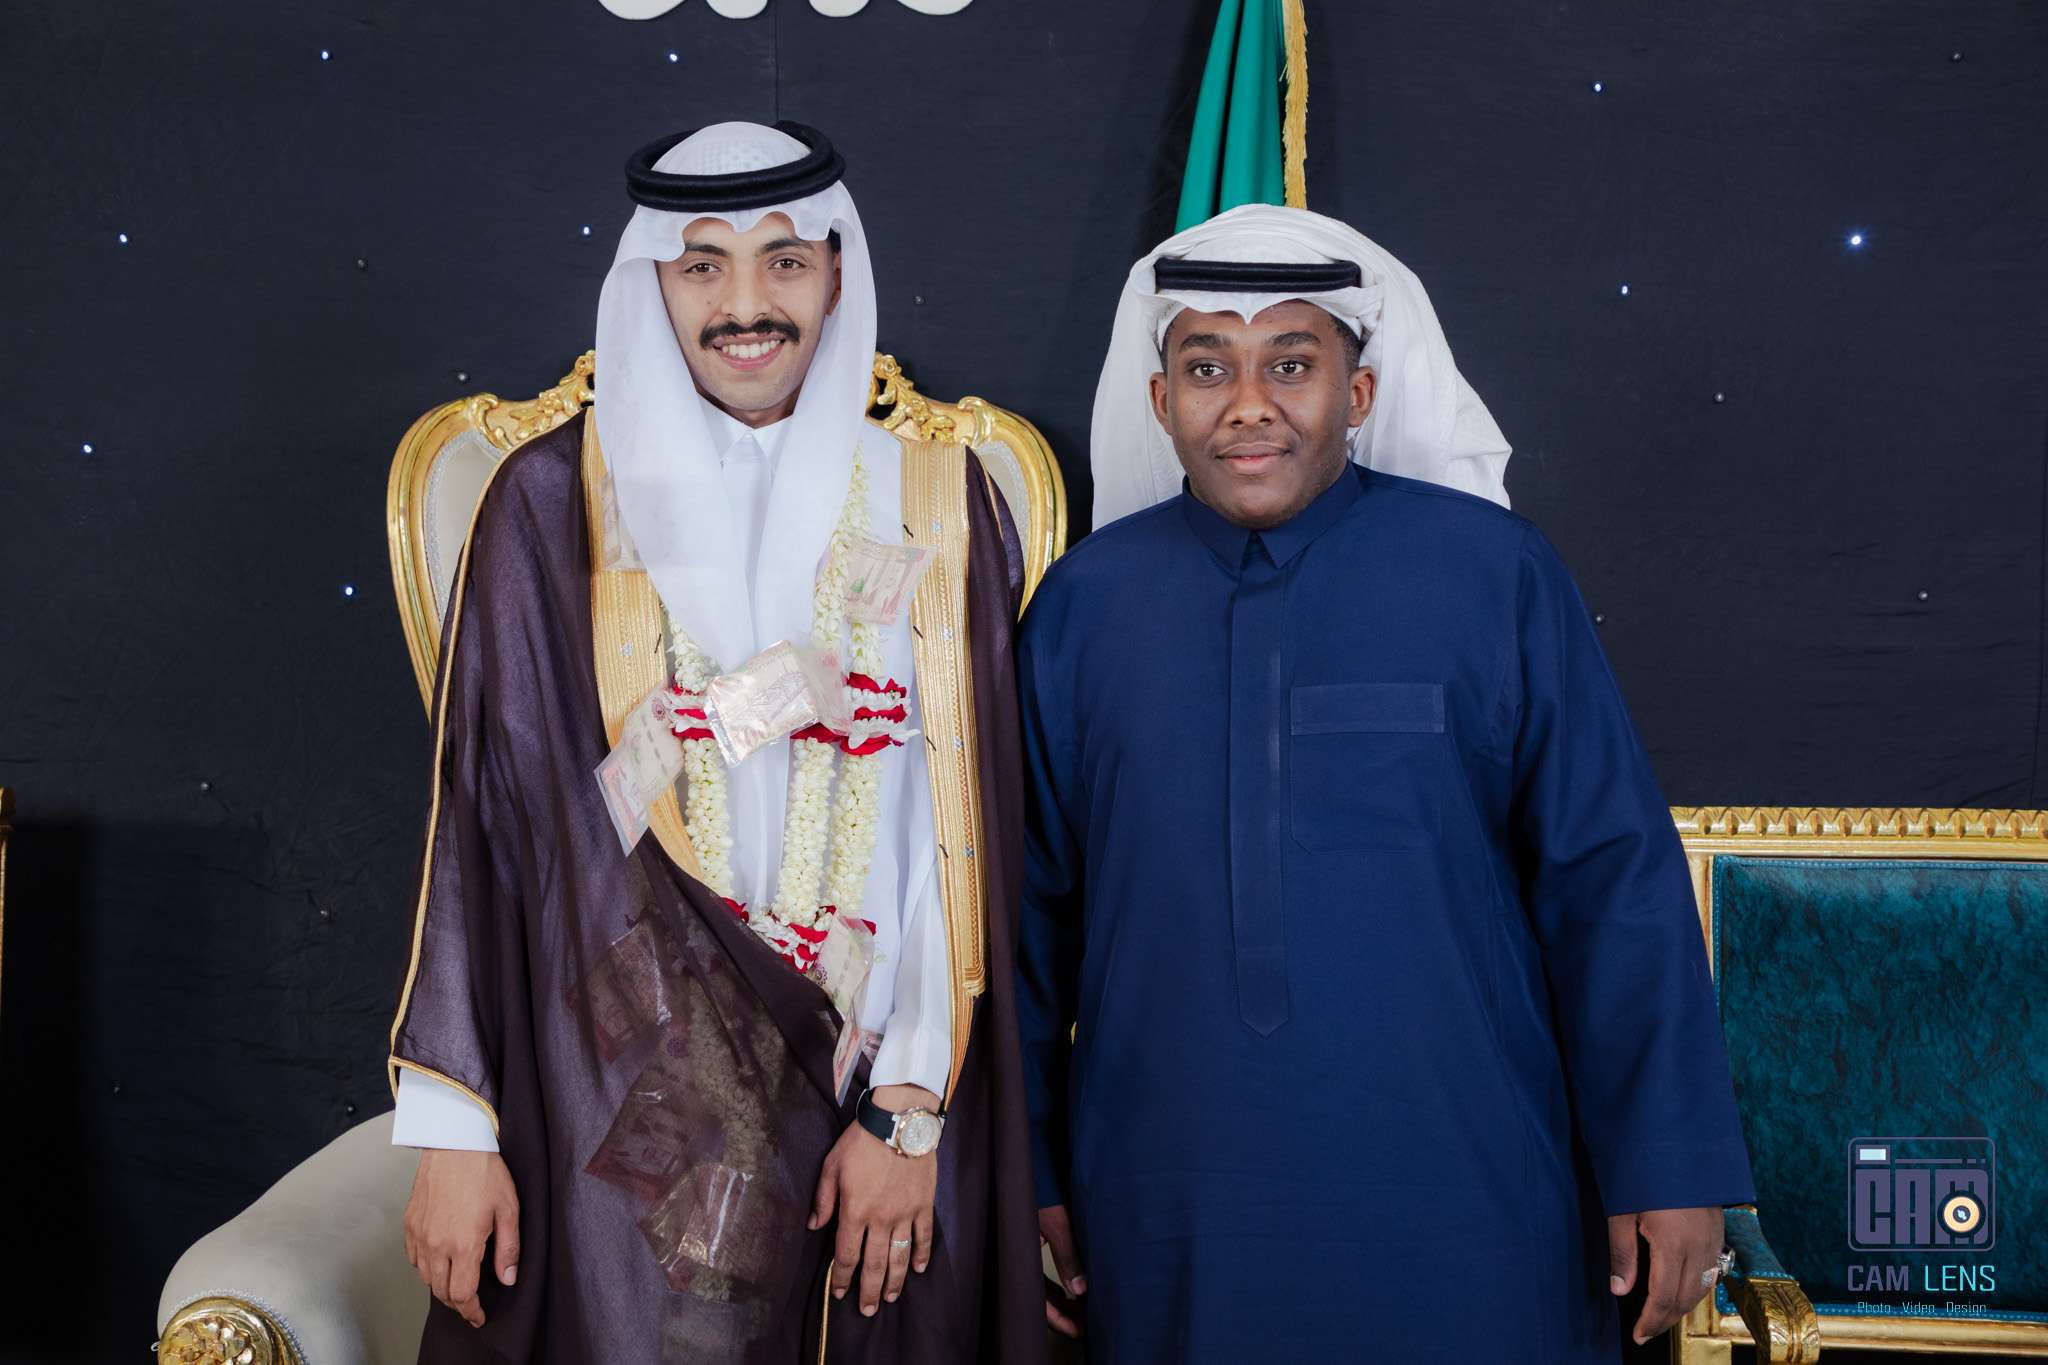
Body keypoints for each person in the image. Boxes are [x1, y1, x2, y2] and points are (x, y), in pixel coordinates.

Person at [1015, 204, 1755, 1362]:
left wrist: (1667, 1161)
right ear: (1158, 401)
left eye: (1290, 365)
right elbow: (1020, 919)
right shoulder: (1080, 608)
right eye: (1205, 367)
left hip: (1470, 1193)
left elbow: (1610, 883)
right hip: (1166, 1202)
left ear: (1357, 393)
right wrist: (1028, 1169)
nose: (1246, 404)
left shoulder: (1494, 575)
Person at [387, 121, 1044, 1364]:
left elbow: (961, 839)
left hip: (876, 1090)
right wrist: (454, 1133)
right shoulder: (550, 504)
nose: (745, 305)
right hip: (615, 1092)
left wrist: (910, 1109)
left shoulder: (935, 500)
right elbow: (486, 821)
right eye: (701, 266)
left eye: (783, 261)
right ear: (652, 283)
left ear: (836, 275)